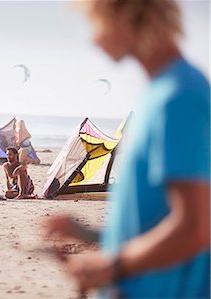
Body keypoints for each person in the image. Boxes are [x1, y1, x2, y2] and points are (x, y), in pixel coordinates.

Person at [43, 1, 210, 298]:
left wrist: (110, 267)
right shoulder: (156, 93)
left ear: (126, 15)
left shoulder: (179, 96)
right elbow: (152, 223)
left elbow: (196, 228)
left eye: (97, 22)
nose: (94, 38)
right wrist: (88, 234)